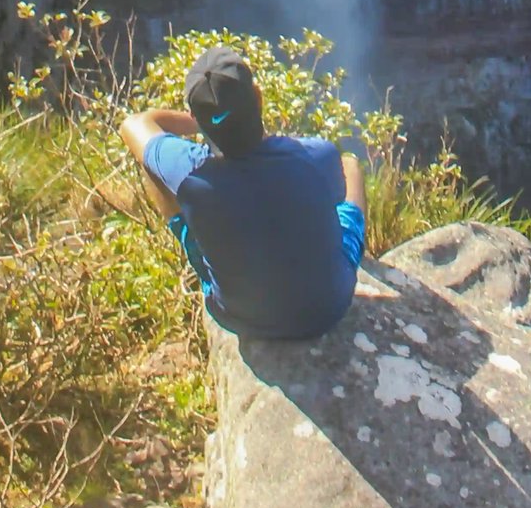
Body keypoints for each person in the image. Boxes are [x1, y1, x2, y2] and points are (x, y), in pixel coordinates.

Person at [120, 43, 367, 341]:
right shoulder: (317, 156)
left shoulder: (189, 170)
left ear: (196, 117)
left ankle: (202, 239)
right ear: (259, 98)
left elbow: (135, 124)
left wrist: (204, 119)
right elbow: (331, 192)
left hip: (239, 317)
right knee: (349, 166)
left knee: (154, 167)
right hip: (328, 308)